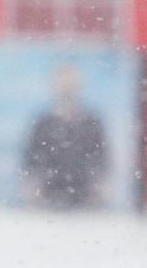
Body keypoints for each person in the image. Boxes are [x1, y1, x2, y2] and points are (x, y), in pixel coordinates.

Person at [20, 61, 113, 211]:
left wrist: (101, 191)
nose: (67, 89)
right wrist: (32, 193)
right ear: (54, 86)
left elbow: (103, 163)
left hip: (86, 203)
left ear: (80, 86)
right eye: (63, 83)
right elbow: (30, 164)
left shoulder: (92, 123)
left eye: (71, 83)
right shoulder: (43, 124)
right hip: (48, 201)